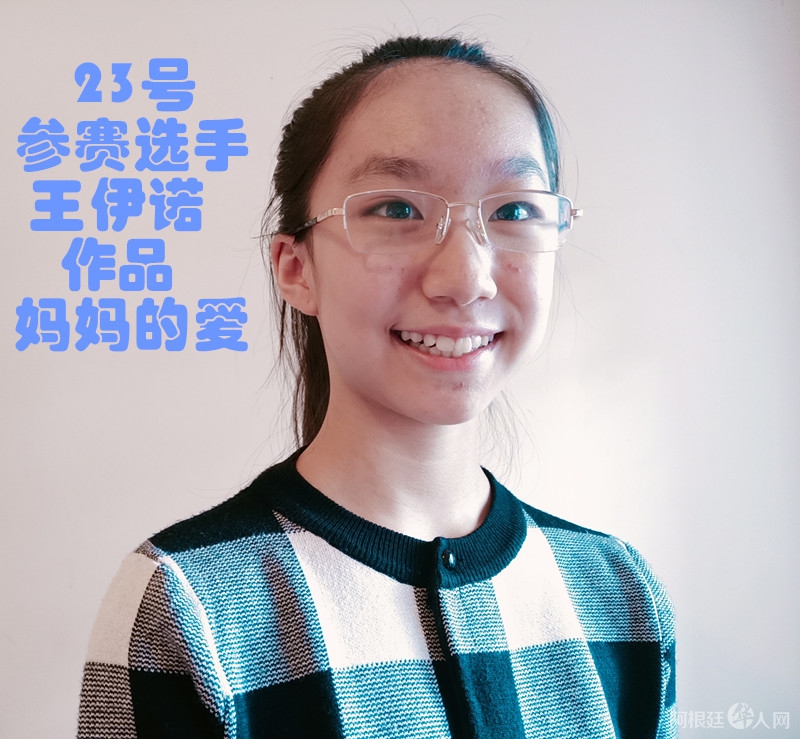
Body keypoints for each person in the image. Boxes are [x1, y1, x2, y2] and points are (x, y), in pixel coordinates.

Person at [77, 35, 676, 739]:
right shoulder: (188, 604)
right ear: (295, 267)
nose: (465, 279)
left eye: (514, 211)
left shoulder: (620, 593)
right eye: (396, 209)